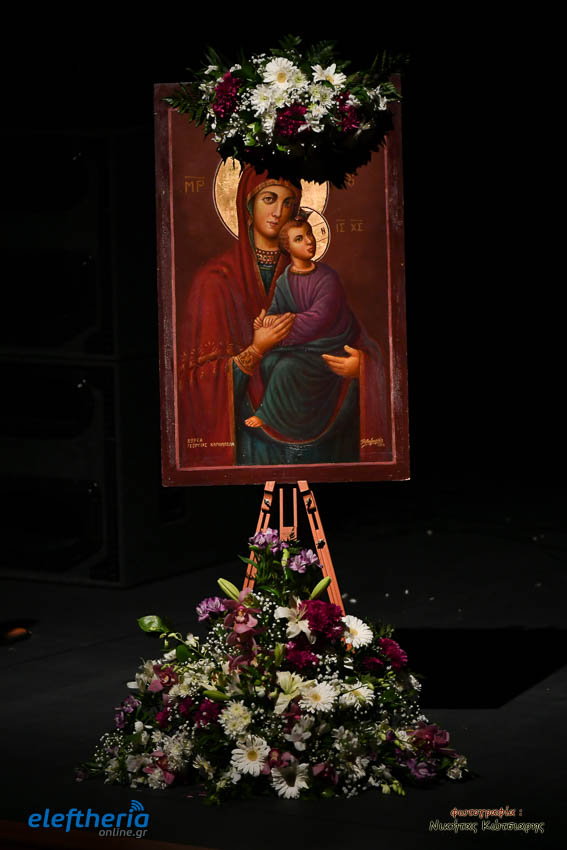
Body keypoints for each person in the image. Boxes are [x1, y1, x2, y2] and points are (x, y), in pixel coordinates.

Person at [177, 166, 389, 467]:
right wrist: (255, 350)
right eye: (269, 199)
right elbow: (191, 385)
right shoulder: (214, 280)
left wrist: (362, 369)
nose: (278, 212)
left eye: (288, 202)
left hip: (320, 426)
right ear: (248, 206)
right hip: (250, 448)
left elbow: (350, 333)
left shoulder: (312, 272)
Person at [244, 217, 362, 442]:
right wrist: (264, 323)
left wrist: (278, 322)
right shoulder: (284, 281)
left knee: (286, 367)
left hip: (326, 345)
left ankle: (278, 419)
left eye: (309, 234)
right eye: (299, 238)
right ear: (287, 248)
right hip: (300, 346)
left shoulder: (327, 277)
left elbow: (319, 319)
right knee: (268, 362)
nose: (309, 241)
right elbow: (275, 310)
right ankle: (288, 416)